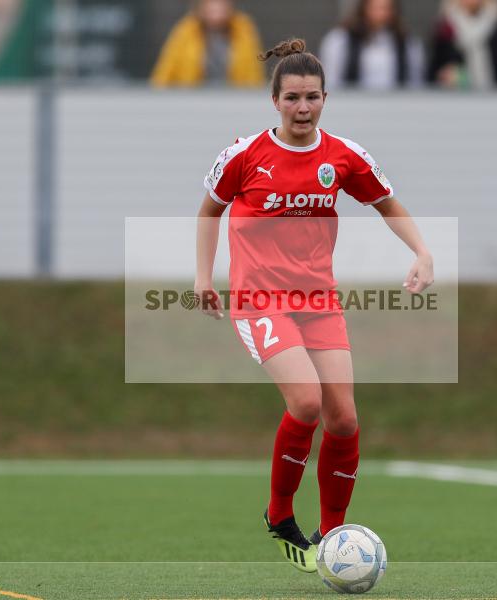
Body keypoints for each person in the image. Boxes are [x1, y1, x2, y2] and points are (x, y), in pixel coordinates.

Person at [194, 38, 433, 572]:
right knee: (306, 402)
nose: (303, 108)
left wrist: (421, 251)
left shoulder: (343, 156)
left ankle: (332, 533)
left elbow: (387, 204)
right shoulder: (244, 155)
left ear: (326, 98)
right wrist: (203, 276)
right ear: (274, 101)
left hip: (318, 300)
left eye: (312, 97)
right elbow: (210, 211)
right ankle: (280, 514)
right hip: (259, 299)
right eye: (292, 98)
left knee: (343, 418)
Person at [150, 0, 264, 87]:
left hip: (233, 101)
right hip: (192, 100)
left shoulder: (243, 29)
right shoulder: (186, 30)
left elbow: (254, 74)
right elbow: (164, 72)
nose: (216, 6)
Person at [318, 0, 425, 90]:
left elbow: (415, 83)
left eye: (386, 8)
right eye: (375, 7)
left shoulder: (407, 43)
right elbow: (331, 82)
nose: (381, 13)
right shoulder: (340, 40)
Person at [427, 0, 497, 90]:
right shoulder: (445, 29)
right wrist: (445, 76)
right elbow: (432, 74)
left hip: (494, 95)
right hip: (457, 95)